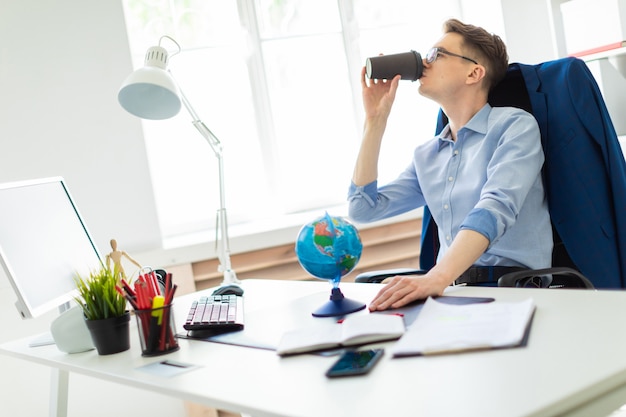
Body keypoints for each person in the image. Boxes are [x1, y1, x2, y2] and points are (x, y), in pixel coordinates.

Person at [348, 19, 553, 311]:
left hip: (512, 289)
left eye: (436, 54)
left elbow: (494, 208)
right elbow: (362, 208)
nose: (423, 63)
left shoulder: (514, 126)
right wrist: (374, 122)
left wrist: (436, 276)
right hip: (451, 292)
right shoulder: (427, 155)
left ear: (474, 72)